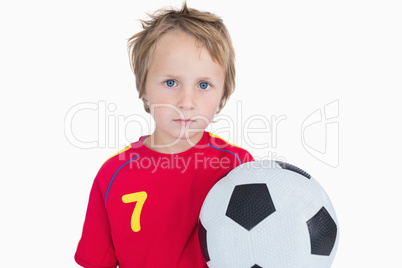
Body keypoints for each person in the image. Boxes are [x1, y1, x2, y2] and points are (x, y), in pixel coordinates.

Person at [75, 2, 253, 268]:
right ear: (143, 87)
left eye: (204, 85)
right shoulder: (112, 175)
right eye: (171, 83)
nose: (186, 101)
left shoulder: (238, 167)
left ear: (223, 95)